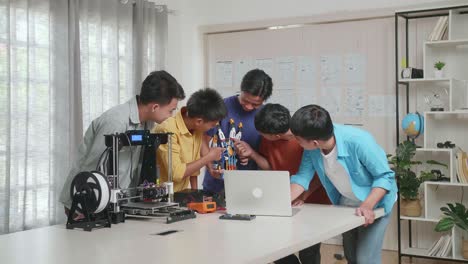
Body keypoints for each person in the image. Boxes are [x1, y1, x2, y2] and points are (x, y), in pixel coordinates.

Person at [59, 70, 185, 210]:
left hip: (117, 203)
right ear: (155, 107)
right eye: (171, 110)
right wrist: (84, 207)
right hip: (88, 202)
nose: (171, 116)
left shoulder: (147, 123)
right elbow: (93, 168)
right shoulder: (116, 122)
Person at [289, 104, 397, 264]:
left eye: (298, 139)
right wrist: (281, 202)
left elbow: (385, 177)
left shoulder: (358, 141)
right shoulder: (311, 149)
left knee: (365, 259)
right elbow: (302, 178)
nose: (296, 142)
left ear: (315, 142)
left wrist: (367, 205)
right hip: (346, 202)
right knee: (351, 255)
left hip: (375, 201)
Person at [235, 103, 330, 264]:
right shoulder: (268, 140)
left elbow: (321, 174)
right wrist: (252, 153)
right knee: (276, 249)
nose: (261, 136)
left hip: (313, 200)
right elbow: (271, 167)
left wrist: (304, 195)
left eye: (263, 134)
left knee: (309, 252)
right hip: (285, 200)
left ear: (276, 135)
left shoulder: (306, 140)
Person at [202, 69, 273, 194]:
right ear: (241, 89)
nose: (249, 107)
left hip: (250, 187)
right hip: (216, 186)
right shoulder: (221, 107)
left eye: (255, 104)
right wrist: (210, 166)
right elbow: (202, 141)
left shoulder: (266, 117)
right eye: (245, 101)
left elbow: (268, 159)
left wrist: (250, 155)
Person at [153, 88, 227, 192]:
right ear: (199, 121)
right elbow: (177, 173)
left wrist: (195, 195)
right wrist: (209, 157)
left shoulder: (196, 130)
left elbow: (194, 170)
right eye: (212, 125)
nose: (213, 128)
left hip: (181, 194)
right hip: (161, 196)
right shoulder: (167, 130)